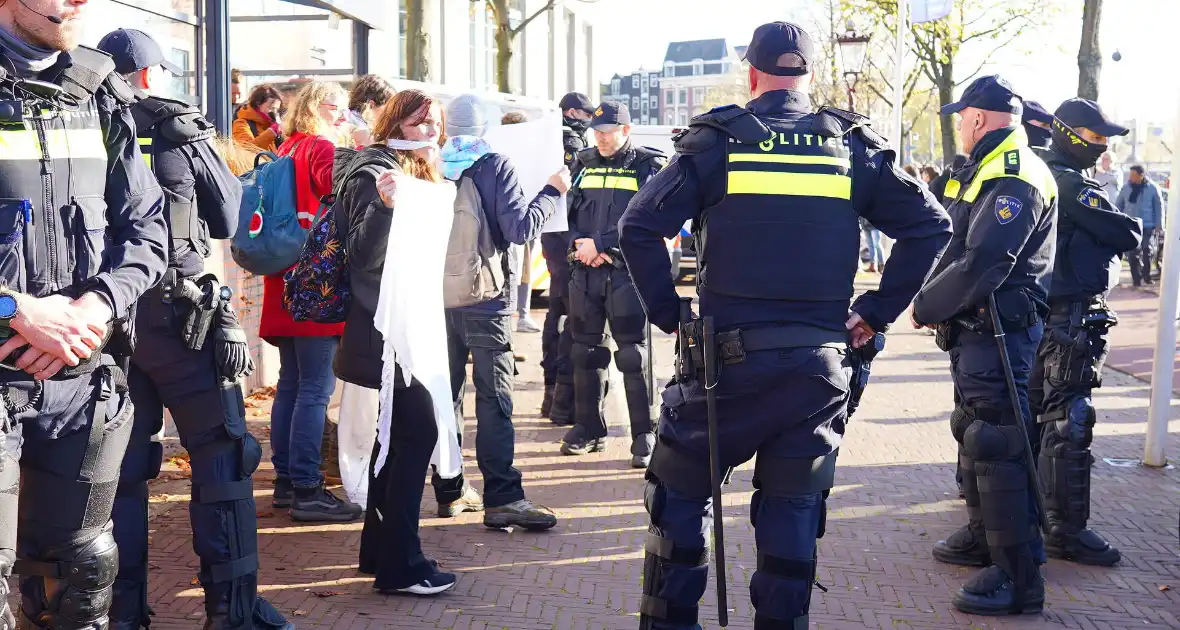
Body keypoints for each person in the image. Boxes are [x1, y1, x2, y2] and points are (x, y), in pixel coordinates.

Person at [619, 21, 951, 629]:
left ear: (751, 72)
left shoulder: (715, 141)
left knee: (679, 496)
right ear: (811, 74)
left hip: (724, 369)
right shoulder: (851, 145)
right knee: (793, 514)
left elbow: (638, 227)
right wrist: (875, 312)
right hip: (817, 368)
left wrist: (671, 316)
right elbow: (931, 226)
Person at [95, 28, 291, 630]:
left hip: (103, 321)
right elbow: (229, 215)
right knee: (221, 458)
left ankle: (122, 614)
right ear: (153, 75)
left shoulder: (79, 116)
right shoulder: (175, 125)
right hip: (180, 318)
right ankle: (232, 613)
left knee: (118, 474)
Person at [0, 1, 171, 627]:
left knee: (81, 579)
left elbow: (147, 231)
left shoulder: (99, 91)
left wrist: (95, 305)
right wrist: (15, 312)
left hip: (81, 371)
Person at [910, 75, 1058, 616]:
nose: (959, 127)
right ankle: (983, 539)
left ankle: (1019, 578)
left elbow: (983, 263)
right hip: (975, 331)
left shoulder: (1015, 175)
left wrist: (926, 307)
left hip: (1001, 331)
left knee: (999, 441)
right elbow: (953, 243)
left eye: (961, 118)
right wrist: (928, 295)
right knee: (973, 432)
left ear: (977, 118)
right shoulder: (982, 169)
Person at [332, 88, 459, 596]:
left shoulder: (420, 168)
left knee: (399, 440)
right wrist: (387, 207)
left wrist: (434, 171)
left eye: (434, 123)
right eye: (417, 123)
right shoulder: (373, 173)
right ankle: (401, 564)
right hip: (387, 335)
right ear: (395, 124)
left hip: (407, 328)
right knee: (415, 437)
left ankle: (379, 552)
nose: (427, 131)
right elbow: (361, 256)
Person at [427, 93, 567, 529]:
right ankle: (503, 496)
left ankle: (449, 491)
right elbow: (520, 228)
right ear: (484, 126)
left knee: (445, 396)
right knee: (494, 396)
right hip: (487, 300)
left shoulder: (430, 165)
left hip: (438, 298)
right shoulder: (494, 164)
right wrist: (551, 191)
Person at [1029, 98, 1141, 568]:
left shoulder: (1035, 171)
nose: (1101, 147)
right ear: (1069, 134)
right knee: (1069, 421)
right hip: (1070, 315)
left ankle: (1028, 515)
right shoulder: (1070, 183)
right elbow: (1128, 233)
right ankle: (1066, 530)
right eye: (1095, 138)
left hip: (1038, 315)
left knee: (1035, 416)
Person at [258, 81, 362, 522]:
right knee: (315, 391)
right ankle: (306, 487)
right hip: (314, 281)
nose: (342, 116)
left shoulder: (287, 147)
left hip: (282, 280)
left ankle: (286, 480)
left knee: (291, 385)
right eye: (337, 108)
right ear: (319, 107)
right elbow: (344, 197)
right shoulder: (320, 147)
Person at [560, 101, 666, 468]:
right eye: (597, 132)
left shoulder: (647, 167)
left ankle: (644, 434)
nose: (601, 139)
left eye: (608, 132)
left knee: (633, 356)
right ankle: (588, 428)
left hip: (627, 275)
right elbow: (567, 215)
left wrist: (601, 245)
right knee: (585, 353)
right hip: (585, 272)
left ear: (626, 130)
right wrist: (579, 245)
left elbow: (646, 223)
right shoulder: (582, 164)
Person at [542, 92, 594, 423]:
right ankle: (559, 397)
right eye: (587, 114)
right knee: (567, 315)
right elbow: (573, 193)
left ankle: (553, 395)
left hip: (552, 233)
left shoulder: (546, 137)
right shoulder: (569, 142)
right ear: (573, 112)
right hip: (565, 237)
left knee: (556, 312)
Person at [1115, 165, 1164, 286]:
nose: (1131, 178)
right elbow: (1119, 205)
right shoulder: (1126, 188)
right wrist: (1118, 220)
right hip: (1131, 225)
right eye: (1130, 175)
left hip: (1148, 224)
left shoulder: (1153, 188)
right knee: (1132, 252)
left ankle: (1146, 276)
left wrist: (1159, 224)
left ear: (1141, 175)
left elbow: (1159, 207)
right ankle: (1136, 279)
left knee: (1147, 250)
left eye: (1133, 175)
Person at [346, 73, 395, 147]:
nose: (391, 112)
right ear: (371, 105)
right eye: (388, 106)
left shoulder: (345, 119)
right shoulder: (363, 130)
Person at [233, 84, 283, 152]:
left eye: (276, 110)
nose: (274, 113)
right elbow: (247, 149)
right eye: (271, 108)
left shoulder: (267, 125)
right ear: (258, 104)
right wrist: (271, 132)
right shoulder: (241, 123)